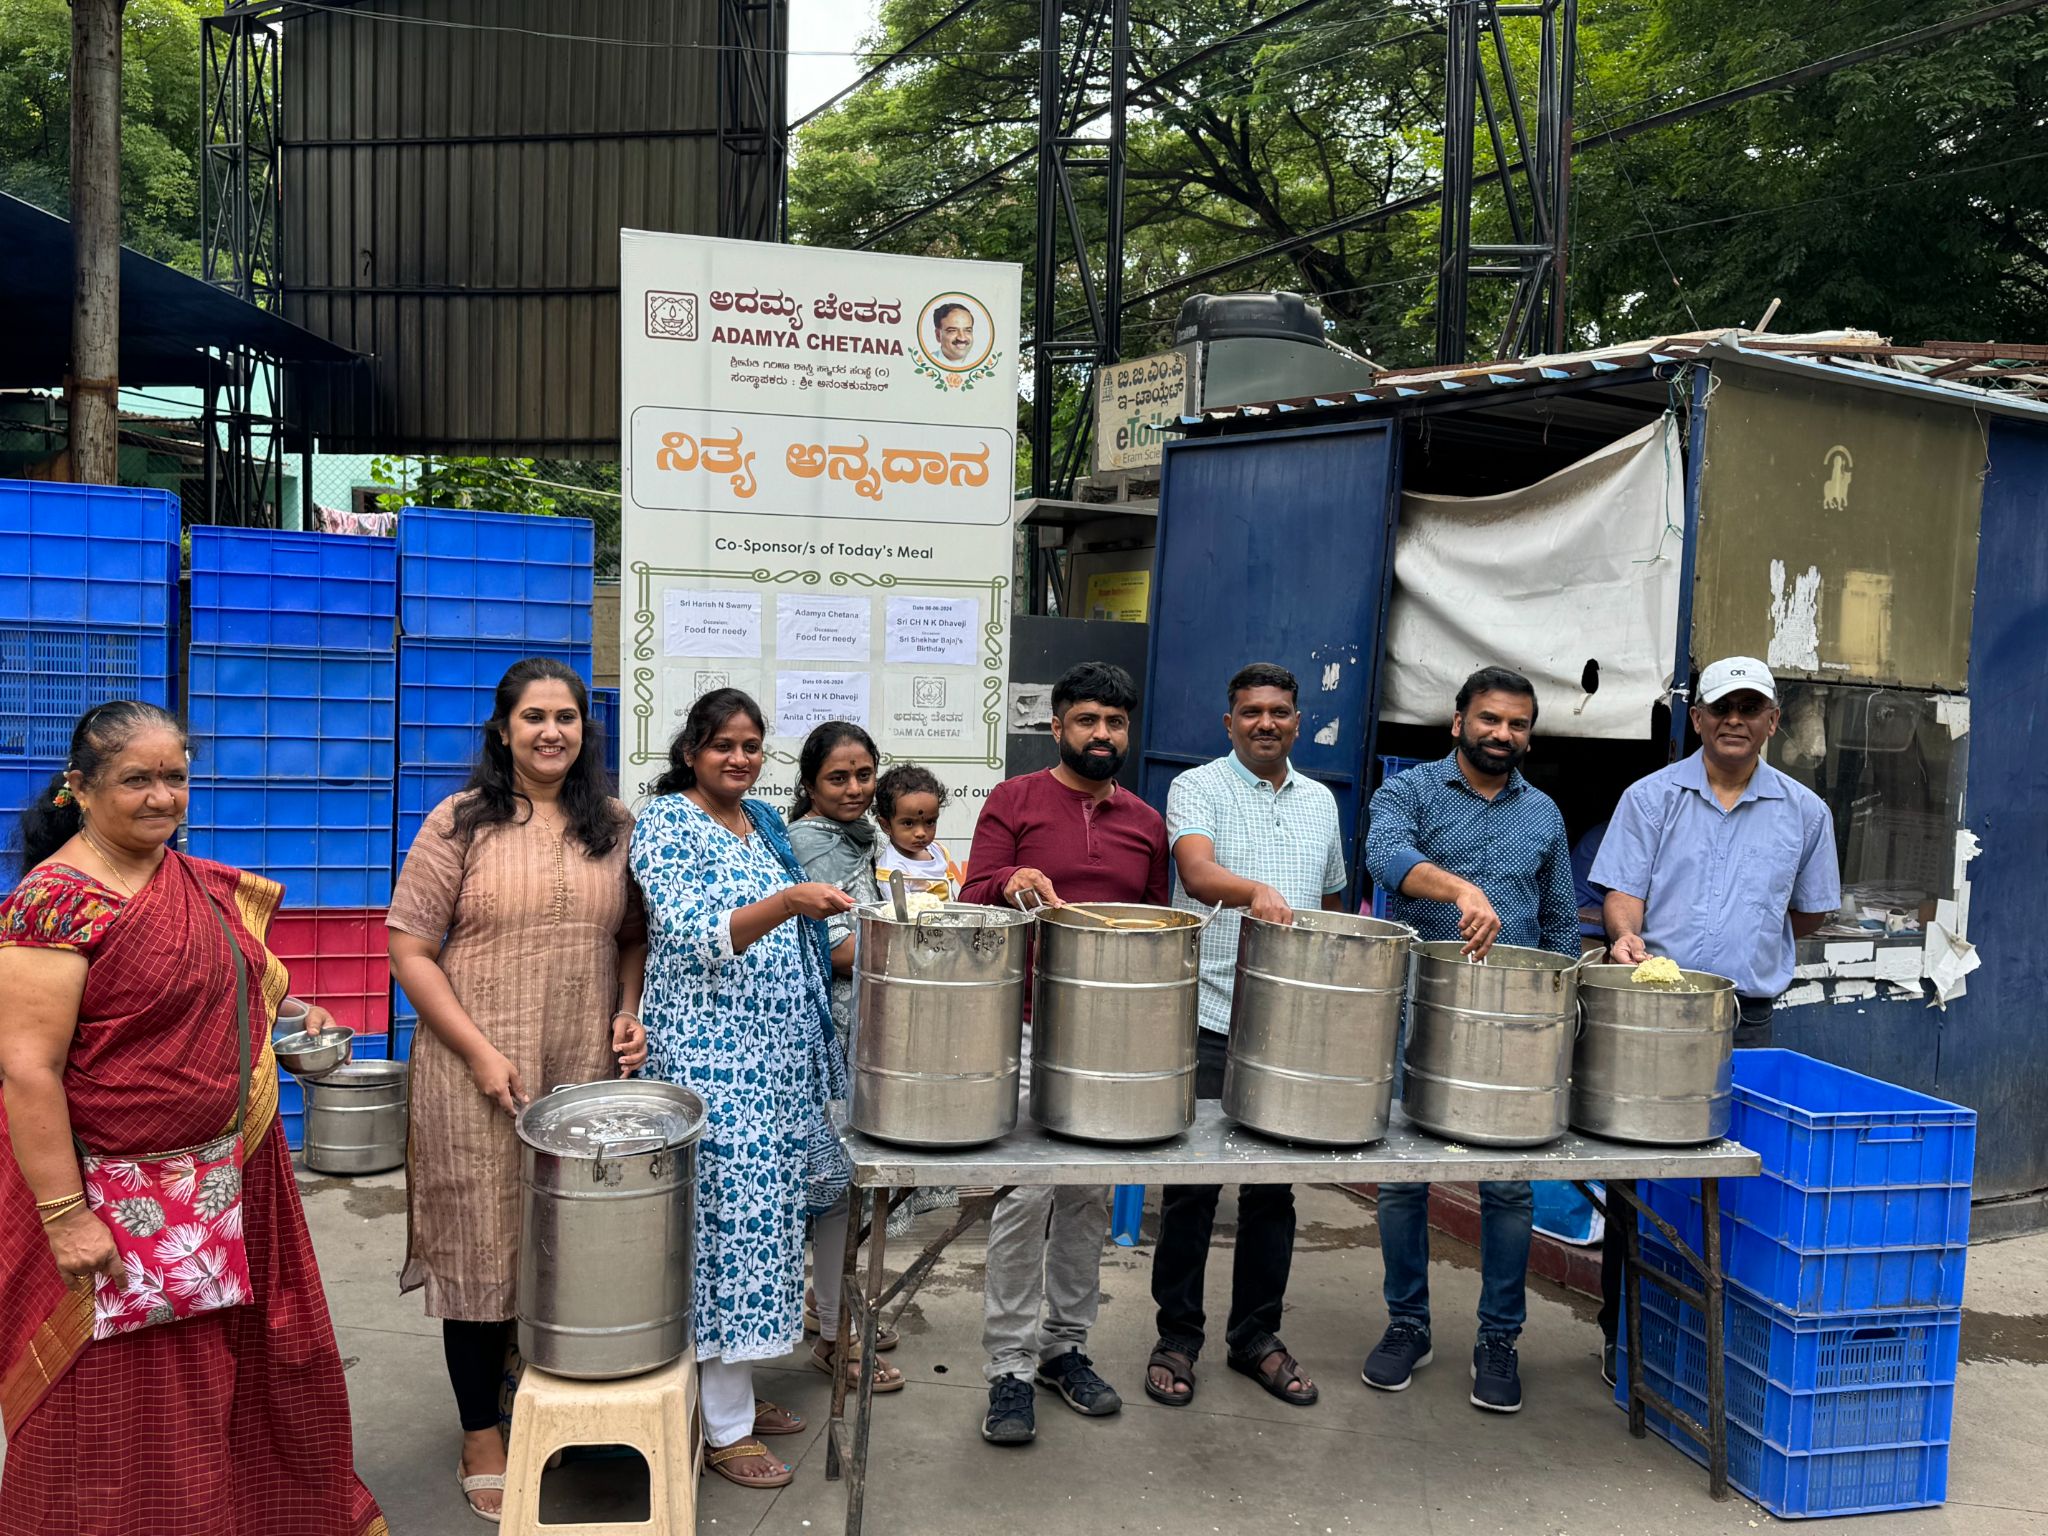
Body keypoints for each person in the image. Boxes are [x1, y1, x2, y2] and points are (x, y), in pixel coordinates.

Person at [0, 702, 386, 1535]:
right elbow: (27, 1069)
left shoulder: (191, 882)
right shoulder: (53, 905)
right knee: (117, 1412)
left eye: (174, 777)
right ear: (79, 789)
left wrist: (288, 1015)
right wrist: (66, 1218)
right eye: (135, 779)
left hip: (225, 1184)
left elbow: (207, 984)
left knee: (241, 1385)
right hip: (113, 1199)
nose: (161, 796)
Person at [386, 657, 649, 1520]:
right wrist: (478, 1052)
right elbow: (409, 951)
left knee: (566, 1247)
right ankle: (480, 1433)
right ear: (503, 731)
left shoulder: (613, 824)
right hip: (475, 1073)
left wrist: (628, 1010)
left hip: (579, 1070)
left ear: (583, 730)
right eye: (533, 717)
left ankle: (545, 1400)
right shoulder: (459, 822)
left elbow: (632, 936)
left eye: (565, 718)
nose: (550, 732)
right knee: (482, 1246)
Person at [1589, 655, 1841, 1383]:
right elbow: (1623, 895)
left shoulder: (1805, 813)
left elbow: (1810, 911)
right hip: (1655, 1015)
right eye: (1720, 708)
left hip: (1745, 1022)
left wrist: (1752, 935)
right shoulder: (1651, 797)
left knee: (1733, 1182)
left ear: (1773, 720)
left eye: (1749, 708)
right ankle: (1622, 1336)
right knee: (1639, 1177)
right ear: (1696, 718)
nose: (1734, 720)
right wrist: (1625, 936)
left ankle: (1710, 1342)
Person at [630, 689, 857, 1491]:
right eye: (723, 744)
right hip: (711, 1060)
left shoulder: (760, 821)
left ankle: (735, 1395)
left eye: (752, 745)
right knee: (730, 1229)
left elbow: (798, 942)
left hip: (777, 1062)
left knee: (769, 1226)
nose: (739, 758)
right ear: (691, 750)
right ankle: (724, 1429)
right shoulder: (665, 822)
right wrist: (790, 901)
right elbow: (696, 932)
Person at [958, 661, 1169, 1446]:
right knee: (1026, 1196)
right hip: (1021, 1025)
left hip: (1108, 1039)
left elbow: (1154, 928)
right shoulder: (1013, 800)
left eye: (1115, 722)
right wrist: (1012, 877)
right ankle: (1009, 1367)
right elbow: (972, 894)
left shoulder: (1146, 823)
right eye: (1087, 720)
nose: (1102, 734)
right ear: (1057, 727)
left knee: (1085, 1195)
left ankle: (1063, 1349)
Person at [1360, 666, 1577, 1414]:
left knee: (1507, 1184)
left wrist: (1558, 1021)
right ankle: (1408, 1324)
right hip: (1417, 1009)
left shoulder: (1544, 813)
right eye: (1489, 719)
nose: (1501, 734)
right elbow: (1384, 857)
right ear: (1458, 722)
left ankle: (1499, 1338)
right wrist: (1459, 889)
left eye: (1517, 725)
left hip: (1513, 1022)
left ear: (1529, 736)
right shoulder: (1410, 791)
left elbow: (1559, 924)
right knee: (1403, 1176)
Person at [1145, 663, 1347, 1413]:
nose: (1267, 723)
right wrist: (1254, 890)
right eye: (1252, 711)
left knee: (1272, 1190)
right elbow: (1197, 875)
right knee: (1192, 1187)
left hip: (1290, 1027)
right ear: (1228, 722)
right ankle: (1177, 1338)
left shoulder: (1321, 801)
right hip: (1207, 1012)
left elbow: (1331, 901)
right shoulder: (1197, 787)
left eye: (1280, 712)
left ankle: (1256, 1336)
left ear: (1298, 721)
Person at [785, 721, 904, 1394]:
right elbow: (836, 949)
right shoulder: (814, 843)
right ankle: (836, 1337)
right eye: (838, 778)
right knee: (838, 1188)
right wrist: (917, 944)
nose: (855, 789)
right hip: (831, 1034)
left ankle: (826, 1304)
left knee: (850, 1187)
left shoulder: (861, 836)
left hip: (861, 1026)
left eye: (864, 775)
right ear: (809, 784)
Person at [874, 763, 964, 903]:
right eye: (908, 823)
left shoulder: (938, 851)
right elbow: (901, 913)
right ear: (886, 825)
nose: (921, 833)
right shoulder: (892, 871)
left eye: (930, 822)